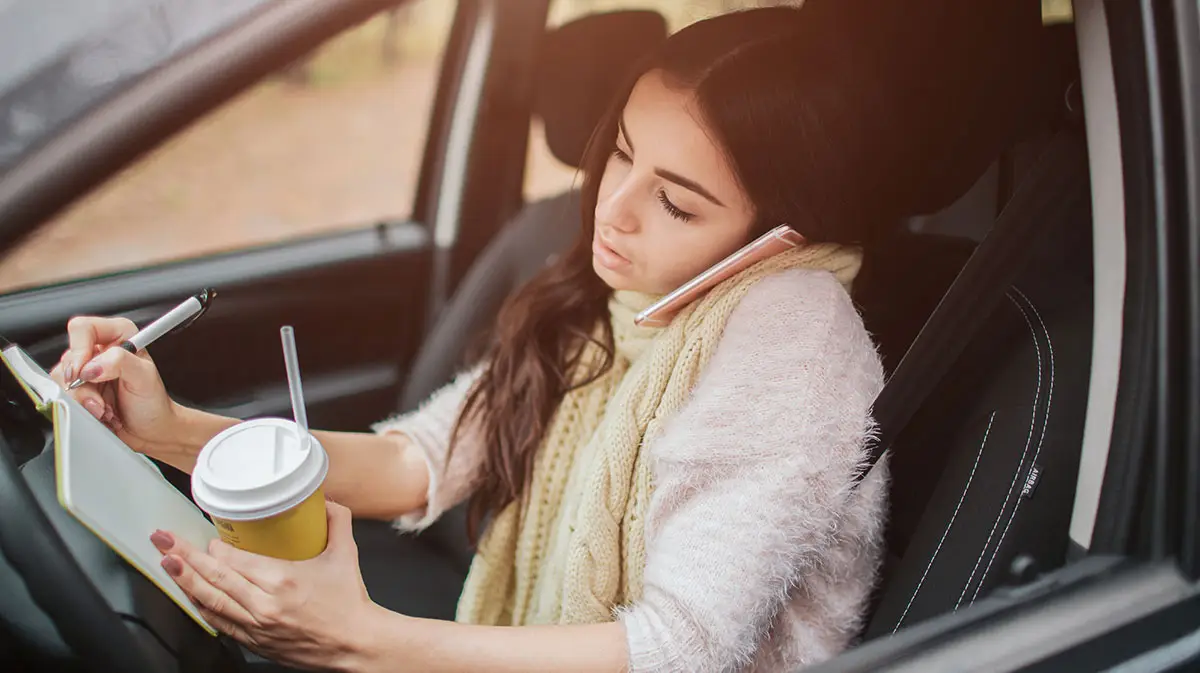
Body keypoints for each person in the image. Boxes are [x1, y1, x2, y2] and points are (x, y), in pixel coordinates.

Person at [53, 7, 915, 672]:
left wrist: (366, 639)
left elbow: (682, 645)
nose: (609, 208)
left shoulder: (793, 333)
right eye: (619, 154)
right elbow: (424, 460)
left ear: (784, 235)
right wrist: (166, 429)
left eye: (677, 201)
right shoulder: (621, 296)